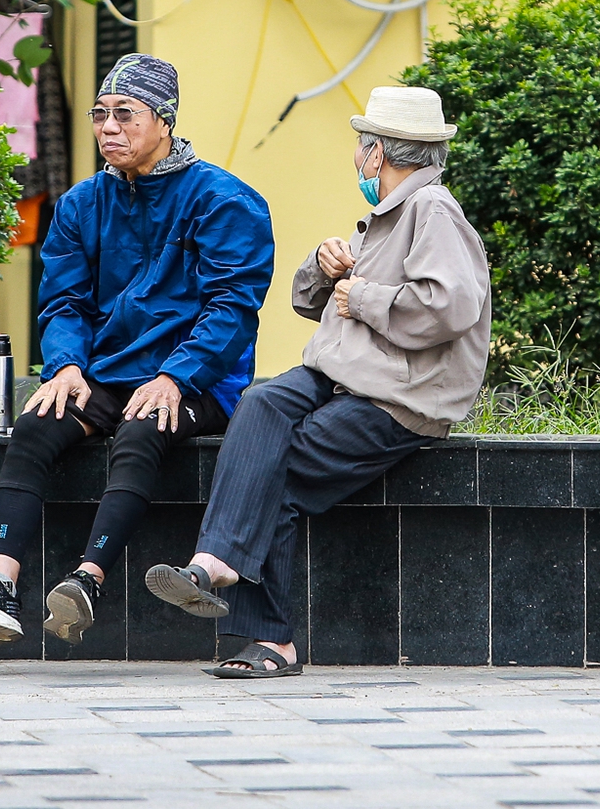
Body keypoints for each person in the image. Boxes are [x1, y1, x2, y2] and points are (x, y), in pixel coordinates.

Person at [0, 53, 275, 646]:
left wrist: (177, 378)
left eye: (125, 115)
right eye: (100, 114)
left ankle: (87, 581)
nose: (109, 127)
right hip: (108, 371)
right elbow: (64, 303)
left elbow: (231, 309)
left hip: (202, 379)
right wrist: (64, 366)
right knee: (38, 421)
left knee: (142, 427)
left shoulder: (225, 200)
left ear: (164, 121)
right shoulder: (83, 203)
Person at [144, 85, 491, 678]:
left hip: (397, 395)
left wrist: (365, 296)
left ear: (379, 153)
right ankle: (213, 560)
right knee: (261, 403)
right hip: (341, 374)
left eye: (363, 147)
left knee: (275, 472)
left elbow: (451, 305)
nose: (357, 157)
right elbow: (314, 302)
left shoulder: (432, 209)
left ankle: (269, 639)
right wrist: (322, 267)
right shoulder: (385, 217)